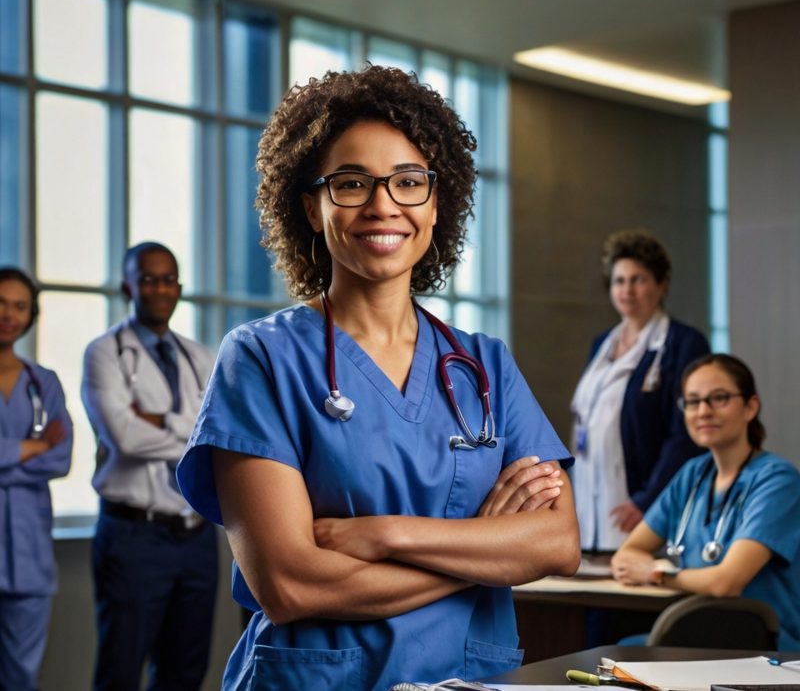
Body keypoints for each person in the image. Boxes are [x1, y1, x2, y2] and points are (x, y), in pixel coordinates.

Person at [177, 65, 580, 691]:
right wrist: (485, 551)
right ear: (311, 207)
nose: (383, 204)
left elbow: (556, 543)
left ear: (436, 201)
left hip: (471, 679)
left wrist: (383, 534)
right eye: (352, 183)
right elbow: (289, 584)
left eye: (408, 181)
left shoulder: (485, 366)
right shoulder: (259, 359)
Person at [81, 243, 218, 691]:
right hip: (134, 537)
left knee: (185, 671)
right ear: (127, 287)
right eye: (147, 279)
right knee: (121, 669)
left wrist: (159, 420)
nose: (160, 289)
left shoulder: (202, 358)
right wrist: (188, 428)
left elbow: (215, 436)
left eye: (168, 279)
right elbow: (125, 437)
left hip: (197, 537)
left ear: (179, 287)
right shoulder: (104, 352)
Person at [611, 353, 800, 650]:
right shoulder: (692, 475)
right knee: (617, 652)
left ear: (751, 407)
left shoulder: (778, 480)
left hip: (766, 648)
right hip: (701, 635)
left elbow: (726, 583)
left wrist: (656, 574)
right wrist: (651, 569)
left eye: (719, 398)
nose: (703, 411)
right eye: (693, 401)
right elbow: (628, 553)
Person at [570, 230, 710, 552]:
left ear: (662, 285)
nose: (627, 290)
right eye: (619, 281)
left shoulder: (683, 344)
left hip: (642, 507)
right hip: (591, 504)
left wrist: (649, 498)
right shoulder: (601, 345)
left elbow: (685, 437)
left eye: (639, 280)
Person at [0, 267, 72, 691]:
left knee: (22, 679)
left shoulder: (42, 383)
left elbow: (60, 458)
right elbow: (45, 451)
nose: (9, 314)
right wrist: (29, 448)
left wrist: (39, 452)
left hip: (29, 561)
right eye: (1, 303)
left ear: (31, 316)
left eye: (20, 306)